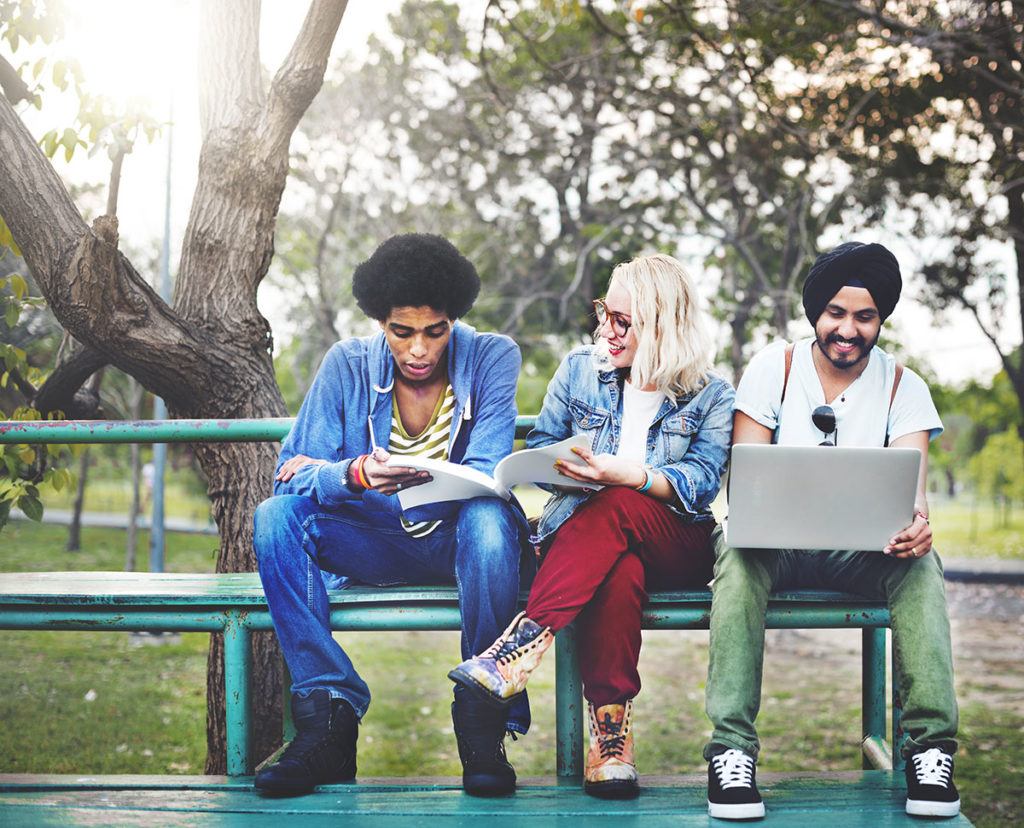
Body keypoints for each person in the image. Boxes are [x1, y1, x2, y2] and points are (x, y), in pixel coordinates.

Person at [252, 233, 534, 798]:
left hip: (466, 542)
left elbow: (487, 468)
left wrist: (428, 480)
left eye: (436, 331)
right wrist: (355, 474)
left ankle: (482, 726)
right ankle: (327, 720)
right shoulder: (347, 364)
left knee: (486, 517)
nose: (419, 350)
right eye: (401, 332)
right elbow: (290, 468)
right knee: (275, 518)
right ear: (381, 322)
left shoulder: (491, 356)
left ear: (453, 321)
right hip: (377, 539)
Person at [449, 253, 735, 799]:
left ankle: (520, 646)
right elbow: (541, 446)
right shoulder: (579, 369)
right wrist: (567, 473)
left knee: (620, 504)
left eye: (622, 320)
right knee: (617, 565)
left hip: (675, 539)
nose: (605, 329)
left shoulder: (713, 394)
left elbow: (700, 483)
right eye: (605, 312)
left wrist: (626, 474)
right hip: (586, 541)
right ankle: (610, 739)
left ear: (662, 326)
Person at [703, 241, 959, 820]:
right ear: (816, 313)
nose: (848, 329)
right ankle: (731, 753)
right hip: (775, 547)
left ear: (880, 320)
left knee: (922, 563)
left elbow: (912, 498)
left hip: (859, 552)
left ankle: (930, 751)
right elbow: (745, 478)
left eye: (864, 317)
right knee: (738, 557)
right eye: (836, 314)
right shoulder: (775, 366)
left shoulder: (904, 386)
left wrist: (918, 528)